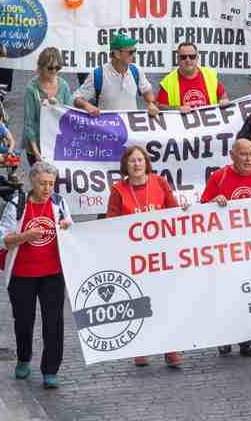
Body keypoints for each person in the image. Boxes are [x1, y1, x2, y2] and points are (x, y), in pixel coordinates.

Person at [103, 144, 184, 366]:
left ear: (146, 163)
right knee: (140, 301)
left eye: (140, 160)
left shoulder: (160, 183)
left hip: (161, 254)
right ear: (125, 166)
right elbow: (111, 222)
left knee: (165, 300)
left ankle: (171, 347)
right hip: (134, 257)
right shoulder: (118, 190)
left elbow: (173, 211)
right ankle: (143, 347)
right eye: (132, 161)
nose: (137, 164)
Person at [0, 162, 73, 389]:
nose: (47, 188)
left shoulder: (59, 203)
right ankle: (24, 357)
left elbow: (71, 233)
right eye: (42, 183)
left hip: (52, 274)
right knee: (23, 320)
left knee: (54, 323)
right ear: (32, 181)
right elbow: (2, 239)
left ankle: (50, 370)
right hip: (22, 274)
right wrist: (25, 235)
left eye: (51, 183)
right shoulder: (17, 204)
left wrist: (67, 227)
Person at [200, 138, 251, 357]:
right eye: (244, 154)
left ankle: (247, 341)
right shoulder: (219, 176)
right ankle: (224, 338)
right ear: (232, 155)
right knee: (226, 296)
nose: (249, 159)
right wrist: (214, 201)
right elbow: (204, 206)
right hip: (227, 248)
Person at [73, 33, 159, 115]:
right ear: (117, 54)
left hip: (129, 128)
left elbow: (147, 90)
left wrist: (151, 103)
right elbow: (76, 98)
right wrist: (87, 106)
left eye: (135, 51)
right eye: (131, 52)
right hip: (108, 128)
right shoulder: (98, 74)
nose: (134, 55)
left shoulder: (136, 70)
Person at [23, 47, 73, 165]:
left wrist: (58, 106)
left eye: (57, 67)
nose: (54, 71)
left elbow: (70, 113)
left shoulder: (63, 85)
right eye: (50, 68)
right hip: (37, 145)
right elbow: (29, 123)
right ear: (41, 67)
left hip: (57, 144)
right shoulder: (32, 88)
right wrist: (36, 152)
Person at [157, 41, 226, 109]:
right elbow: (160, 106)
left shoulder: (210, 75)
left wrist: (223, 101)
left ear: (197, 58)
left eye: (192, 56)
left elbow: (223, 97)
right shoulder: (168, 82)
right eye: (183, 57)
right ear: (178, 59)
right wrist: (177, 109)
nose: (188, 60)